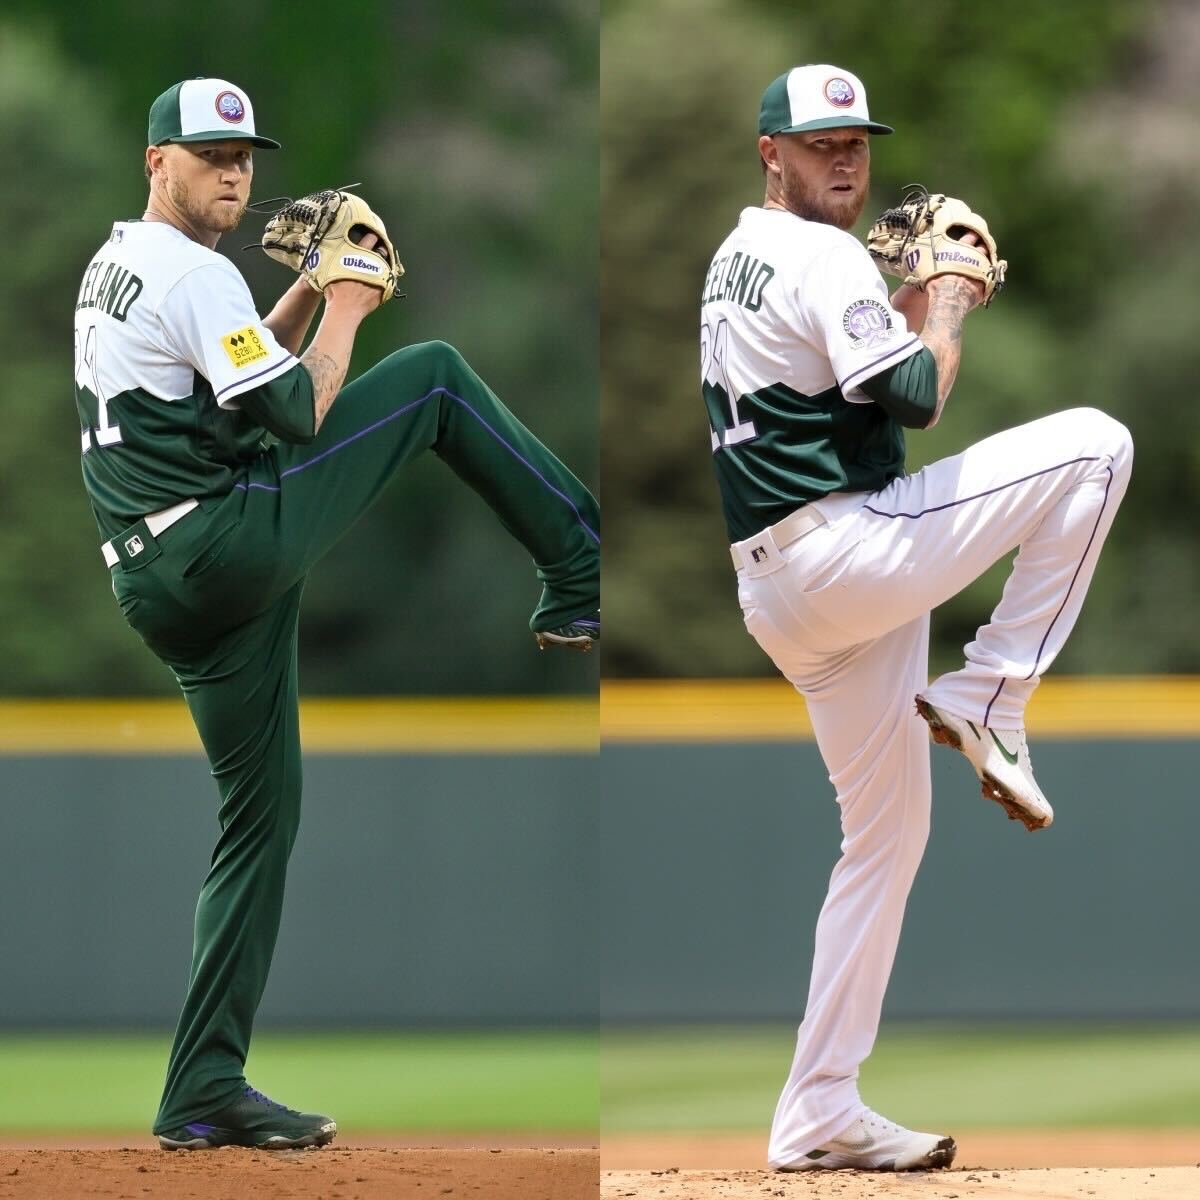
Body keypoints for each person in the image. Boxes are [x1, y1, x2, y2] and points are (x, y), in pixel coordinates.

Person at [73, 77, 599, 1151]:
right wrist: (351, 296)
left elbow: (237, 391)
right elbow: (303, 413)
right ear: (153, 162)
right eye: (209, 155)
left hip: (159, 581)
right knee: (436, 379)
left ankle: (201, 1086)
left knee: (259, 825)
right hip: (217, 548)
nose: (233, 172)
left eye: (243, 155)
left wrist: (308, 292)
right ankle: (583, 567)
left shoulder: (117, 266)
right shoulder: (195, 275)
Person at [701, 64, 1131, 1171]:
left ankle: (819, 1109)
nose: (845, 155)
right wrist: (947, 298)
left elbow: (846, 386)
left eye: (855, 138)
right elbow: (921, 397)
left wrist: (907, 307)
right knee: (1097, 443)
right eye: (819, 140)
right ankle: (991, 691)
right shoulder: (822, 252)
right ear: (771, 154)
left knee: (886, 836)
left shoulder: (738, 256)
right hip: (846, 547)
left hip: (782, 586)